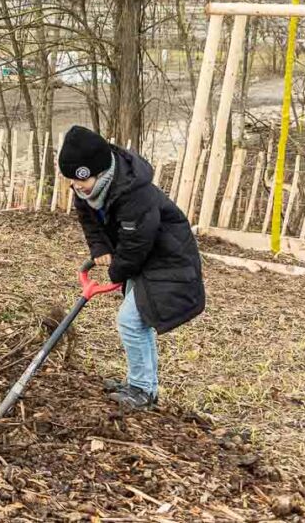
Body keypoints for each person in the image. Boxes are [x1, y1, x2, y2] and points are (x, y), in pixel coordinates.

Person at [59, 125, 206, 411]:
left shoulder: (135, 194)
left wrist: (117, 273)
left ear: (101, 172)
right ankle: (144, 386)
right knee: (138, 323)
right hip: (144, 261)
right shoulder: (87, 190)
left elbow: (136, 242)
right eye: (73, 183)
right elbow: (89, 221)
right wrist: (100, 249)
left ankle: (141, 389)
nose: (78, 189)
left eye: (82, 182)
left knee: (131, 321)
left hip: (168, 261)